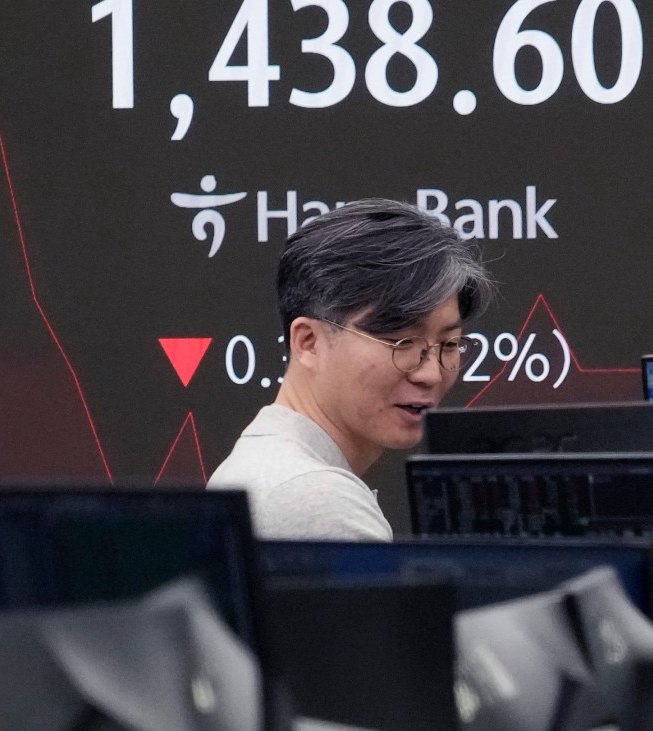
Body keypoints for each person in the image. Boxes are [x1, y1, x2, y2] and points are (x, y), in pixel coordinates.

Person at [208, 199, 494, 541]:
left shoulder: (276, 467)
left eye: (449, 346)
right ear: (309, 341)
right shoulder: (314, 499)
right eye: (402, 343)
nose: (430, 373)